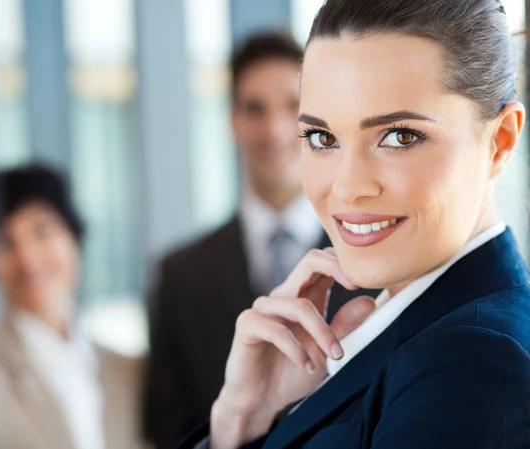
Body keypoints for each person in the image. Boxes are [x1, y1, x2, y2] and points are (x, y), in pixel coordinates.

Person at [179, 0, 530, 448]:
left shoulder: (479, 362)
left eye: (400, 137)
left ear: (499, 143)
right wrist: (241, 418)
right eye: (322, 138)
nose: (346, 188)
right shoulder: (412, 327)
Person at [144, 32, 379, 449]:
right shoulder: (180, 275)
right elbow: (166, 428)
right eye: (255, 109)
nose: (274, 129)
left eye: (293, 107)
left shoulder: (377, 253)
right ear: (233, 120)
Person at [0, 164, 148, 449]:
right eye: (5, 243)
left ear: (72, 234)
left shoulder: (131, 372)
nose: (28, 259)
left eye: (42, 231)